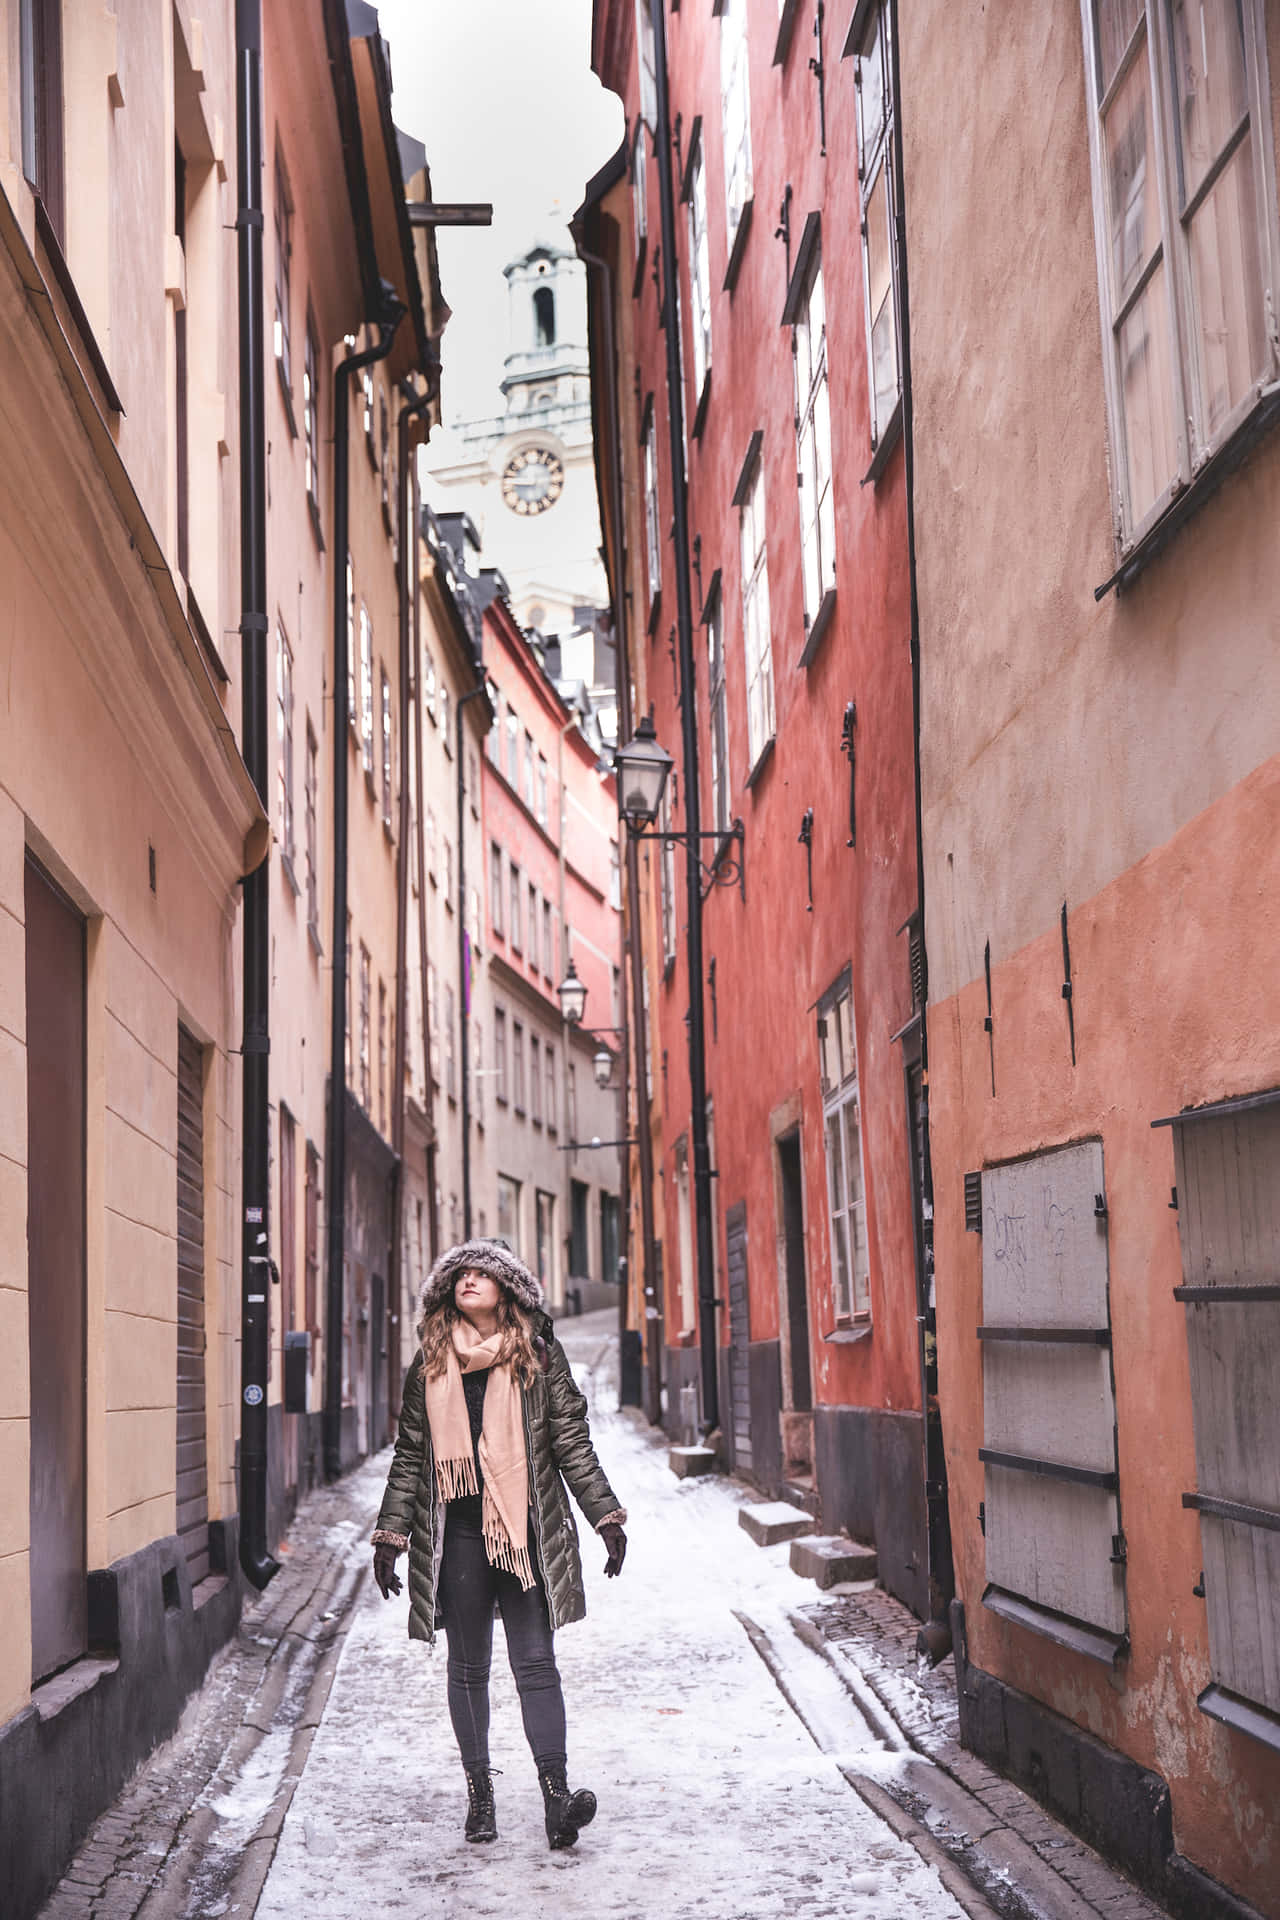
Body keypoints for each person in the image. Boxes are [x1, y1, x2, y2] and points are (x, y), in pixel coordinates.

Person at [370, 1239, 627, 1849]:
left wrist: (606, 1518)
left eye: (483, 1272)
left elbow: (570, 1441)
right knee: (468, 1667)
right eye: (461, 1272)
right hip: (457, 1535)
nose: (469, 1279)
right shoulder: (432, 1361)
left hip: (524, 1532)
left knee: (536, 1662)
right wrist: (392, 1533)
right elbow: (411, 1454)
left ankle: (557, 1798)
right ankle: (480, 1795)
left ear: (508, 1288)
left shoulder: (538, 1357)